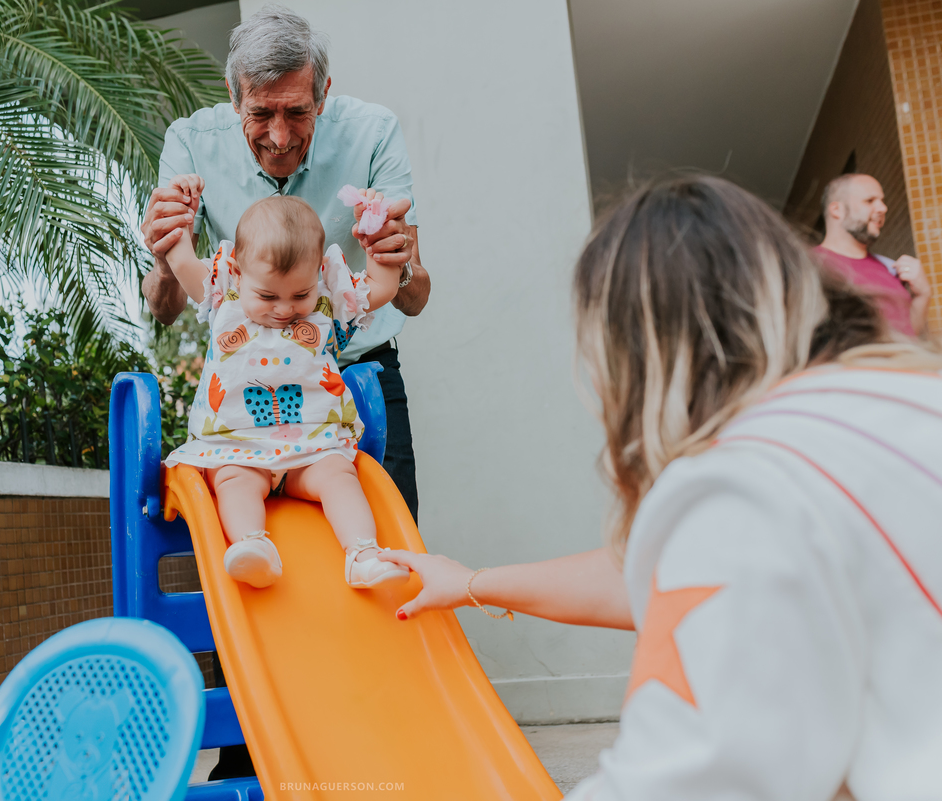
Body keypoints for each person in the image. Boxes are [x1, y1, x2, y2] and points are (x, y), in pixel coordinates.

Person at [379, 176, 942, 798]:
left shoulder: (750, 481)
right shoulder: (894, 398)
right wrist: (470, 584)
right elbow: (663, 574)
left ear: (642, 352)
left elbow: (683, 778)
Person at [140, 4, 429, 522]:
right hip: (248, 390)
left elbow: (412, 296)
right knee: (240, 512)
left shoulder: (374, 133)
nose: (279, 137)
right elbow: (165, 305)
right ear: (233, 97)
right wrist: (168, 250)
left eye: (298, 112)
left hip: (355, 377)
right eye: (260, 114)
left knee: (391, 521)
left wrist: (395, 256)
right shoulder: (190, 143)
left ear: (323, 93)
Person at [161, 189, 410, 590]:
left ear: (317, 277)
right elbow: (183, 262)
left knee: (340, 477)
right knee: (232, 481)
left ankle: (363, 554)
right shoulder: (224, 294)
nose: (284, 308)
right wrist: (180, 219)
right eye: (267, 295)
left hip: (313, 447)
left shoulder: (328, 304)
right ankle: (252, 546)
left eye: (300, 294)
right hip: (238, 447)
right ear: (239, 275)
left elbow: (382, 289)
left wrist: (378, 240)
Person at [816, 172, 932, 338]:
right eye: (869, 201)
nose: (883, 208)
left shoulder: (890, 268)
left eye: (882, 201)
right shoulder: (808, 267)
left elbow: (907, 338)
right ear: (837, 210)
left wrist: (922, 295)